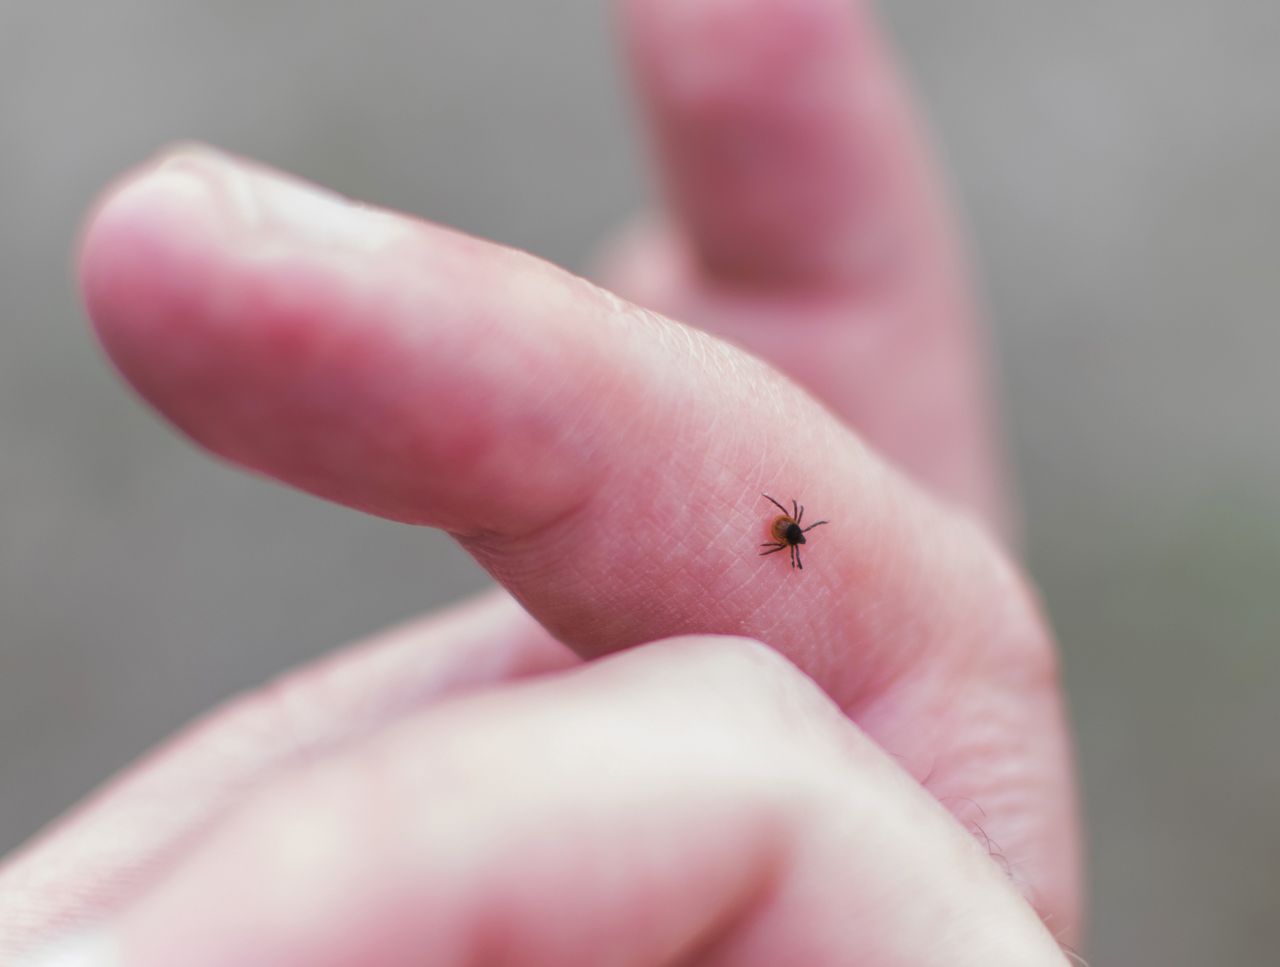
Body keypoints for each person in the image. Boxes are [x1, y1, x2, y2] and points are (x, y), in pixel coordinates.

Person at [1, 1, 1083, 963]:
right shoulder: (789, 535)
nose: (790, 530)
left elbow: (782, 532)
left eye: (791, 531)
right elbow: (782, 531)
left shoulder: (788, 536)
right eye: (791, 529)